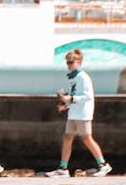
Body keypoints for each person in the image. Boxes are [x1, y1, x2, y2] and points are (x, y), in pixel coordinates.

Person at [43, 49, 112, 177]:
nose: (68, 65)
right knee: (68, 137)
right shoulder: (74, 77)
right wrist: (66, 105)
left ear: (79, 62)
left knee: (86, 138)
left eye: (71, 62)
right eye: (67, 62)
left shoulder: (83, 77)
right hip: (74, 113)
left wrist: (70, 99)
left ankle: (103, 164)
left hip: (83, 113)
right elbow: (75, 95)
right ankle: (63, 168)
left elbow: (87, 96)